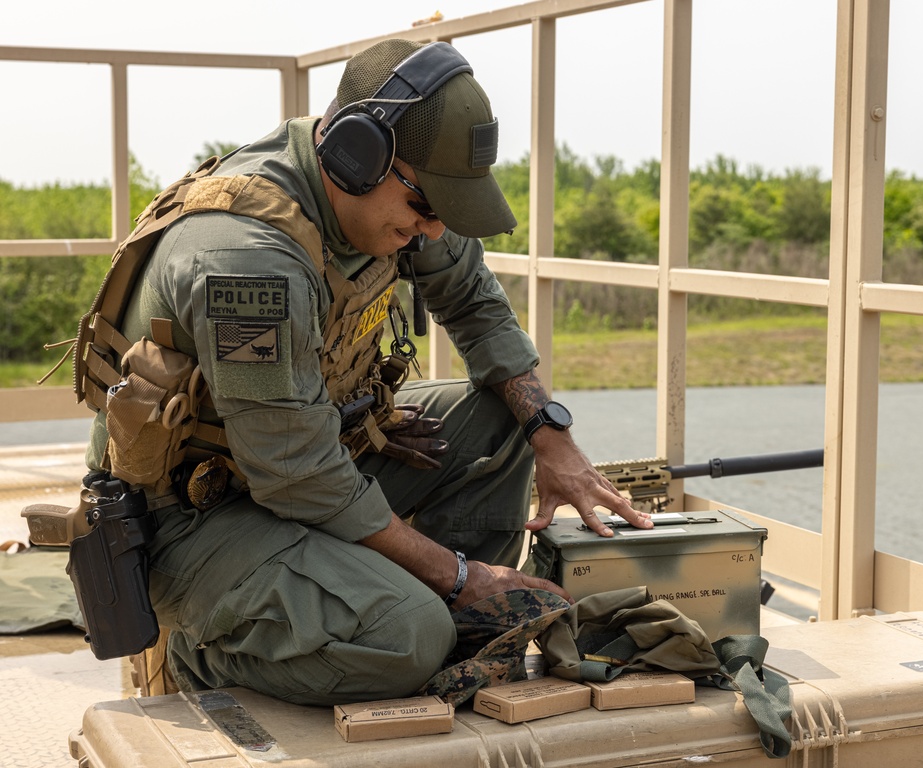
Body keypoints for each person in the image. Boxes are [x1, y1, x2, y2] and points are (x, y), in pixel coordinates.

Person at [83, 37, 651, 706]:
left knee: (503, 417)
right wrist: (460, 574)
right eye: (427, 206)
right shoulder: (243, 261)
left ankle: (424, 608)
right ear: (355, 154)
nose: (435, 230)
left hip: (301, 461)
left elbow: (474, 305)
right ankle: (207, 655)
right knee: (406, 638)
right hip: (187, 516)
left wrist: (553, 438)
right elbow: (297, 475)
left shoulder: (390, 197)